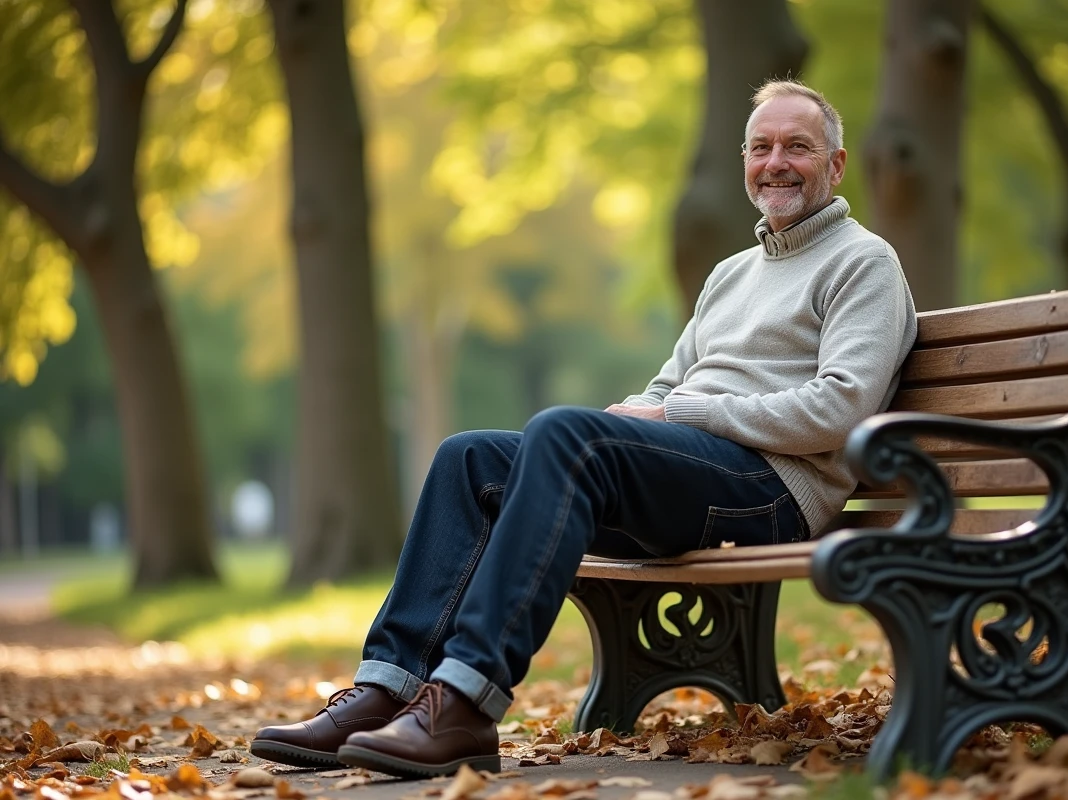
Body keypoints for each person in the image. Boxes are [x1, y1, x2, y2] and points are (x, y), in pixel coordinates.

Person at [250, 80, 918, 779]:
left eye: (797, 147)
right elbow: (667, 387)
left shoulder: (862, 261)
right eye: (761, 147)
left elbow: (841, 408)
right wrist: (624, 420)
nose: (775, 161)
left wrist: (669, 416)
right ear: (744, 160)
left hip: (773, 491)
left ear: (836, 164)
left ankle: (464, 706)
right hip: (698, 473)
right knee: (470, 459)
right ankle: (389, 687)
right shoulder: (731, 274)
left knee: (567, 434)